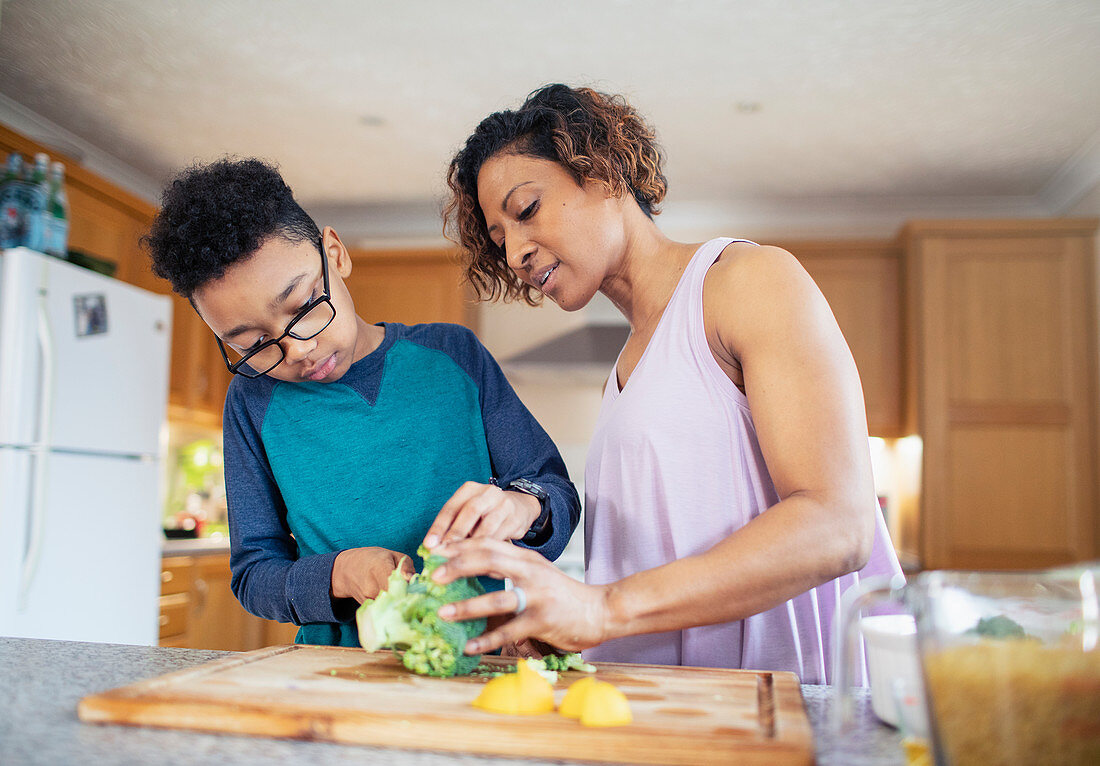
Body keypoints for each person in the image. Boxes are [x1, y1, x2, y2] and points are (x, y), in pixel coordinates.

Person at [428, 84, 902, 683]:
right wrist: (566, 630)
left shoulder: (747, 281)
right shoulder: (626, 371)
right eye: (499, 241)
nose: (516, 251)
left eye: (526, 211)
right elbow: (650, 584)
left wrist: (603, 608)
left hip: (782, 705)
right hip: (678, 712)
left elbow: (839, 525)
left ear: (601, 169)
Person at [145, 158, 580, 647]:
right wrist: (342, 572)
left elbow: (555, 492)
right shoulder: (252, 402)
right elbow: (253, 576)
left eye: (305, 306)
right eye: (252, 345)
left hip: (480, 661)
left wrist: (522, 506)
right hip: (337, 675)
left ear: (335, 254)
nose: (297, 351)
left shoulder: (454, 356)